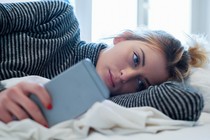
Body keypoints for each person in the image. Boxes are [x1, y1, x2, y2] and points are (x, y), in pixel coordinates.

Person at [0, 0, 208, 127]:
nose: (125, 76)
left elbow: (186, 101)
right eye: (135, 59)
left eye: (141, 84)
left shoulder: (99, 103)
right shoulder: (59, 19)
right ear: (122, 38)